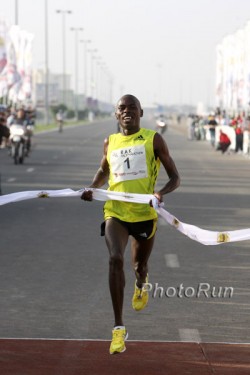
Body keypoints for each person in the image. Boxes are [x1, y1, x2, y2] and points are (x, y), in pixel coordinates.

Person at [81, 94, 180, 354]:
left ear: (141, 112)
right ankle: (118, 329)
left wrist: (161, 193)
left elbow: (175, 177)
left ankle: (141, 282)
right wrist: (92, 187)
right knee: (115, 259)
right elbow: (104, 170)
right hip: (116, 211)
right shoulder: (110, 142)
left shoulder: (153, 139)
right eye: (122, 108)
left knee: (139, 265)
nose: (127, 112)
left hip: (144, 215)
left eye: (132, 108)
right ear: (116, 114)